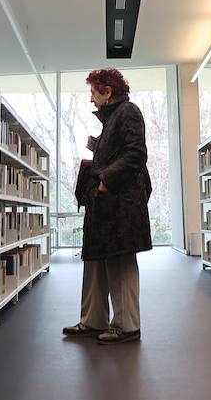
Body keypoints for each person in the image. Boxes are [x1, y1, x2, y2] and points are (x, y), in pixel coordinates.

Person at [63, 68, 152, 344]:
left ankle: (127, 325)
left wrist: (105, 182)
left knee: (120, 261)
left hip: (120, 203)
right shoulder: (113, 117)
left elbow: (136, 154)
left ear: (107, 91)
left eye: (93, 92)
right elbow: (119, 151)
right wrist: (99, 147)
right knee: (95, 262)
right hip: (105, 203)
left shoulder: (128, 112)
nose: (91, 98)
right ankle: (93, 321)